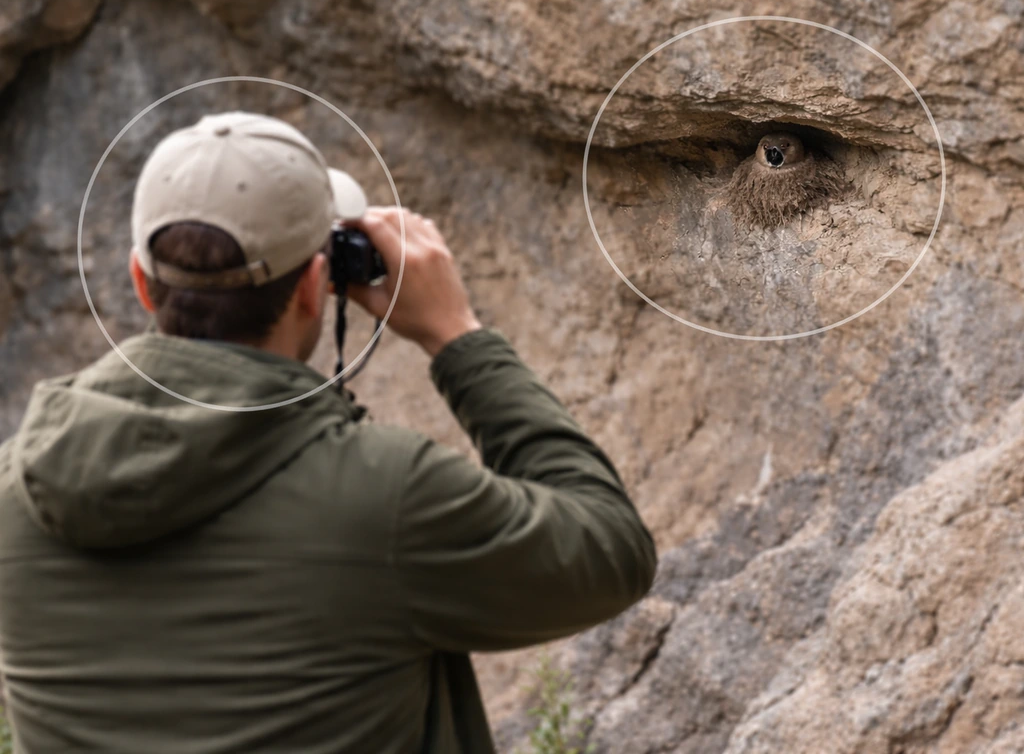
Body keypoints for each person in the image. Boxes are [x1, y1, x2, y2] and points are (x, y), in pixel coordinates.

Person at [0, 111, 658, 753]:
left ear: (142, 282)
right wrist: (457, 335)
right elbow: (610, 549)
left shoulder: (14, 487)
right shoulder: (386, 498)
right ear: (319, 285)